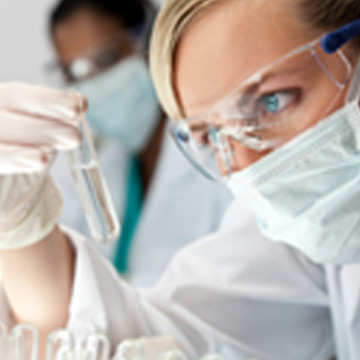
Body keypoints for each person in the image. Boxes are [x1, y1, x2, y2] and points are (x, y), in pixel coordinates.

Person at [0, 0, 360, 359]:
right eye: (211, 137)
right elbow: (166, 334)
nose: (247, 166)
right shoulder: (308, 230)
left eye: (272, 102)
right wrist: (21, 228)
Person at [46, 0, 232, 285]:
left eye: (106, 59)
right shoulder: (100, 158)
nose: (96, 83)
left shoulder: (217, 145)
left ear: (148, 43)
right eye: (75, 73)